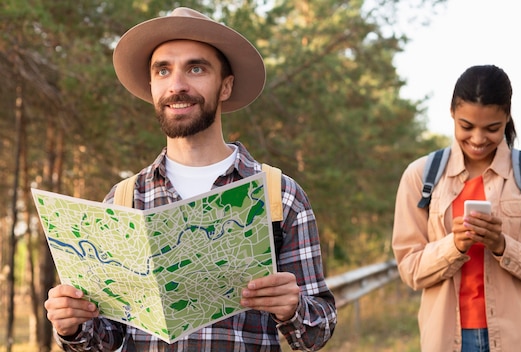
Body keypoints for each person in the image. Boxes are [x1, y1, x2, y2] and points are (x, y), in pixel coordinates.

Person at [44, 7, 336, 351]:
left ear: (225, 86)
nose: (177, 85)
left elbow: (317, 332)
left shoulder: (280, 196)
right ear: (152, 86)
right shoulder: (122, 200)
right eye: (163, 71)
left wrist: (293, 308)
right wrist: (73, 326)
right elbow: (107, 340)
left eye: (196, 68)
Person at [392, 65, 521, 352]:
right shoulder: (421, 176)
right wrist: (455, 246)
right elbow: (410, 270)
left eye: (492, 129)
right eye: (466, 126)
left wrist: (502, 246)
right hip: (446, 339)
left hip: (520, 340)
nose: (477, 139)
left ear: (507, 118)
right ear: (452, 113)